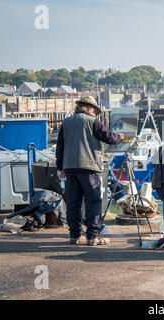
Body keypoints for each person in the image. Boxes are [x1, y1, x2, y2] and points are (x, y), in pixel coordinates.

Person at [56, 96, 124, 246]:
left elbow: (59, 147)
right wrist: (119, 137)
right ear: (89, 108)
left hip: (70, 168)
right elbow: (108, 137)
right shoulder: (92, 121)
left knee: (73, 202)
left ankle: (74, 235)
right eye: (94, 110)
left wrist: (59, 168)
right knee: (93, 201)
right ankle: (92, 236)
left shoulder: (66, 122)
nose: (95, 114)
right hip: (88, 167)